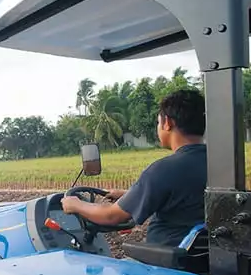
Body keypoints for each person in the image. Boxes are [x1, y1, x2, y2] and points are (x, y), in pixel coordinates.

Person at [61, 88, 207, 246]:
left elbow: (111, 216)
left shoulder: (165, 170)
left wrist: (76, 204)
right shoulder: (221, 163)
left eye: (158, 122)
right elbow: (183, 197)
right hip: (203, 258)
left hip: (166, 261)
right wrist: (128, 195)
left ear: (167, 123)